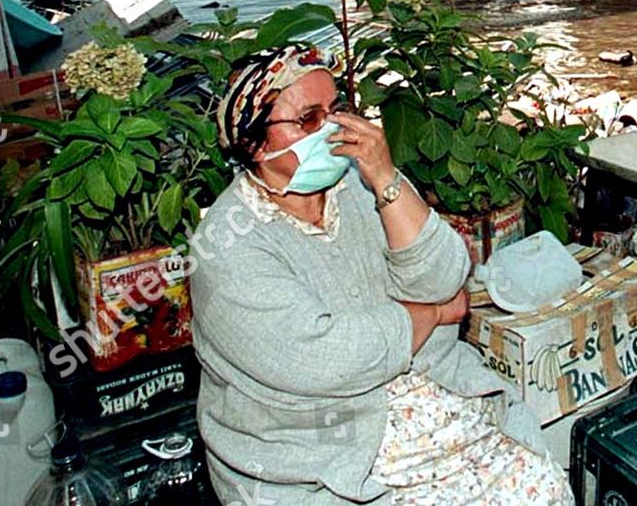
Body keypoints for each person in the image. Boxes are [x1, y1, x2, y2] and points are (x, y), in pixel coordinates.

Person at [190, 43, 573, 505]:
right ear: (253, 142)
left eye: (335, 111)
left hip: (416, 394)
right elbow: (326, 358)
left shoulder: (353, 180)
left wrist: (386, 177)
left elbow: (446, 276)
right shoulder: (226, 246)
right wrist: (429, 315)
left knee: (539, 485)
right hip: (313, 441)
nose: (330, 130)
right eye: (308, 118)